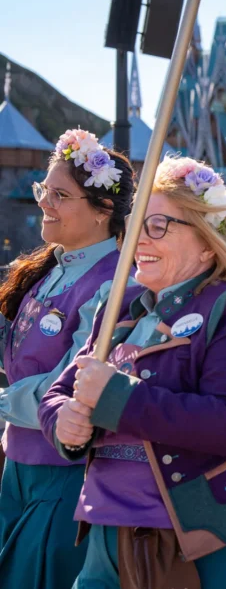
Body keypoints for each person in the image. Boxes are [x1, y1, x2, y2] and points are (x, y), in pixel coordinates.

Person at [37, 157, 226, 588]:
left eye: (158, 226)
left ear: (208, 242)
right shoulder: (118, 309)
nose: (140, 240)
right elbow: (59, 392)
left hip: (203, 539)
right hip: (106, 532)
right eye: (136, 225)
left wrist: (117, 398)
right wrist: (63, 420)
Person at [0, 130, 133, 588]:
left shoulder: (114, 285)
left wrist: (3, 402)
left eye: (59, 195)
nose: (43, 203)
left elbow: (72, 385)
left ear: (103, 213)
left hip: (64, 476)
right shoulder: (50, 270)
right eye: (44, 191)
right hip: (18, 469)